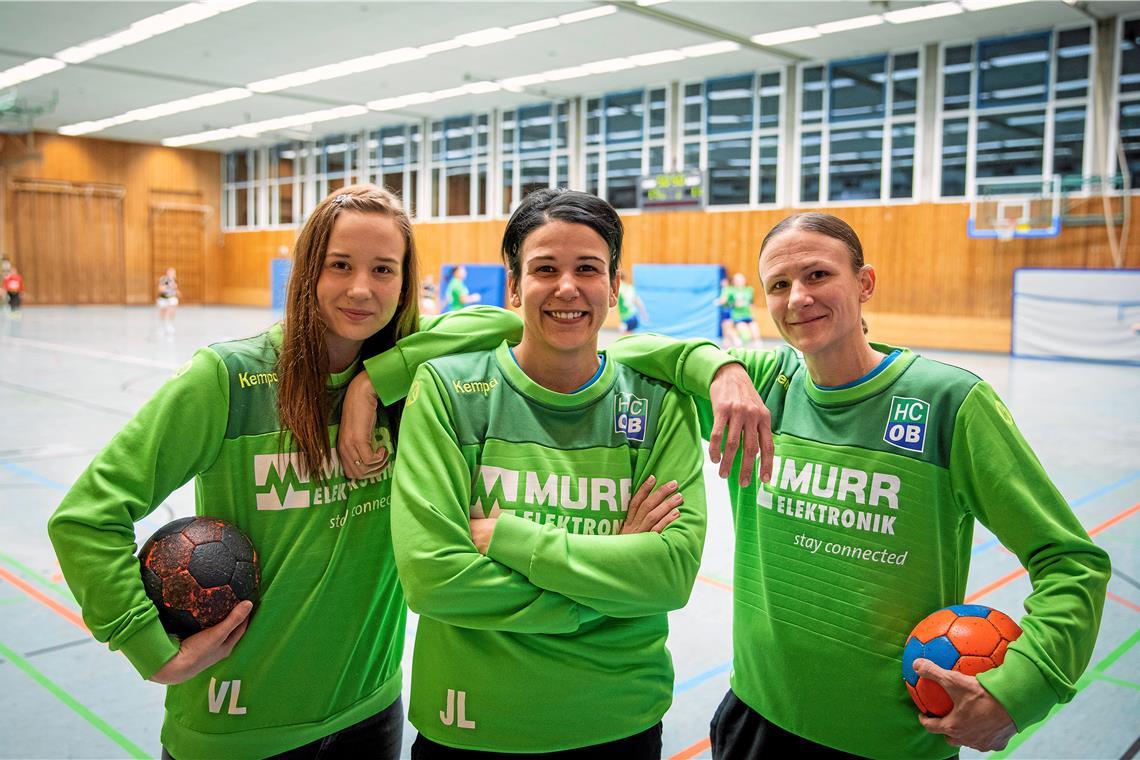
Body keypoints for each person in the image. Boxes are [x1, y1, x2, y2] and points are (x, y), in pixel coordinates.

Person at [47, 185, 528, 760]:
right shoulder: (227, 378)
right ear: (306, 273)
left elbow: (508, 324)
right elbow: (85, 517)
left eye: (383, 269)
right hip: (238, 728)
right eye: (340, 266)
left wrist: (374, 381)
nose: (360, 289)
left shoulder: (414, 380)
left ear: (404, 284)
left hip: (369, 712)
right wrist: (148, 647)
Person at [694, 213, 1110, 759]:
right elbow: (629, 357)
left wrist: (1020, 690)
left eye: (818, 275)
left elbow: (1071, 561)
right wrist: (717, 367)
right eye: (779, 285)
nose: (798, 298)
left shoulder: (948, 402)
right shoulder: (758, 389)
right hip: (756, 717)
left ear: (864, 283)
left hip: (892, 741)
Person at [390, 188, 708, 757]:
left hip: (618, 721)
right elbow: (432, 578)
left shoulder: (660, 403)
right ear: (514, 286)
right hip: (471, 725)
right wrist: (608, 587)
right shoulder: (448, 391)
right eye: (545, 269)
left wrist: (510, 539)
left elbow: (670, 575)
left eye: (588, 268)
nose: (567, 287)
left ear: (614, 286)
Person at [718, 272, 761, 349]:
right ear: (734, 281)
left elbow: (751, 303)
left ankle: (756, 349)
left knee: (756, 333)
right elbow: (724, 298)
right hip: (738, 317)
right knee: (745, 335)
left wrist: (753, 310)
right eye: (737, 279)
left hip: (748, 316)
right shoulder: (731, 290)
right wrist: (721, 300)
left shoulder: (749, 290)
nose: (740, 281)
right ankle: (736, 342)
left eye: (741, 279)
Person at [617, 268, 648, 334]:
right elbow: (638, 301)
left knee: (624, 336)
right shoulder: (629, 288)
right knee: (627, 335)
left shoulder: (619, 287)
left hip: (628, 318)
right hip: (633, 316)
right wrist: (644, 314)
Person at [156, 267, 180, 334]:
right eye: (170, 272)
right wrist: (169, 285)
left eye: (173, 272)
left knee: (172, 309)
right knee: (163, 312)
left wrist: (177, 291)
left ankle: (170, 325)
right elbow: (160, 289)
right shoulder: (164, 279)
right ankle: (162, 325)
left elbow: (174, 288)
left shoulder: (174, 279)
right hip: (163, 298)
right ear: (167, 272)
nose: (172, 273)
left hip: (171, 297)